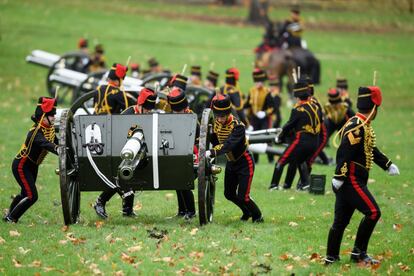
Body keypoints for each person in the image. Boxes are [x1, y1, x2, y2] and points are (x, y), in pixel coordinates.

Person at [325, 86, 400, 265]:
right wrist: (339, 176)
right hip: (350, 179)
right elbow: (344, 152)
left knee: (340, 222)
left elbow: (370, 149)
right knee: (373, 212)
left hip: (353, 179)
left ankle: (331, 257)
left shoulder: (361, 124)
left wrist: (387, 164)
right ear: (373, 108)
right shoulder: (357, 126)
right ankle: (358, 254)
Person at [93, 87, 158, 219]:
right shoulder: (128, 113)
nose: (148, 112)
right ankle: (100, 201)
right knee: (121, 178)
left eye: (150, 110)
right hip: (125, 150)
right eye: (146, 109)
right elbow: (120, 132)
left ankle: (127, 210)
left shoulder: (150, 114)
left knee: (131, 179)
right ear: (140, 105)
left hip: (142, 151)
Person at [206, 94, 263, 223]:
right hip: (231, 163)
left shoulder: (238, 126)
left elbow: (228, 146)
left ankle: (258, 216)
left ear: (228, 113)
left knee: (244, 197)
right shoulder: (216, 123)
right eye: (217, 116)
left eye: (222, 116)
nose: (219, 119)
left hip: (244, 162)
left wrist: (211, 152)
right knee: (229, 194)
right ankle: (246, 212)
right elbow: (215, 140)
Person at [4, 97, 59, 223]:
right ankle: (12, 218)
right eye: (52, 115)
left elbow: (55, 140)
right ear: (44, 116)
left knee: (25, 193)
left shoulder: (48, 128)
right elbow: (46, 144)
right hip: (22, 166)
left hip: (33, 166)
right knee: (32, 196)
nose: (54, 117)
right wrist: (58, 149)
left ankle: (9, 215)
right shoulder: (35, 133)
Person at [269, 79, 320, 190]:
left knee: (281, 161)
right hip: (315, 142)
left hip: (301, 141)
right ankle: (305, 184)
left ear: (297, 97)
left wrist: (280, 137)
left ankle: (273, 185)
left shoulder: (298, 109)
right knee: (300, 161)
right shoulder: (316, 107)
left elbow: (289, 125)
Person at [167, 88, 197, 220]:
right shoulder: (173, 116)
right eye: (175, 111)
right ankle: (182, 210)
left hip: (192, 155)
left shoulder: (192, 118)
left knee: (184, 182)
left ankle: (191, 211)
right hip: (177, 153)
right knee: (176, 182)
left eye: (179, 111)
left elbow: (197, 141)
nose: (176, 113)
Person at [245, 68, 274, 163]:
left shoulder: (267, 92)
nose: (258, 84)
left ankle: (271, 159)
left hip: (264, 118)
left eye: (260, 82)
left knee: (267, 137)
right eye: (257, 82)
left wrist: (264, 113)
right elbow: (248, 104)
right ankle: (255, 160)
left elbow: (272, 107)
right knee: (254, 139)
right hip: (254, 119)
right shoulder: (251, 91)